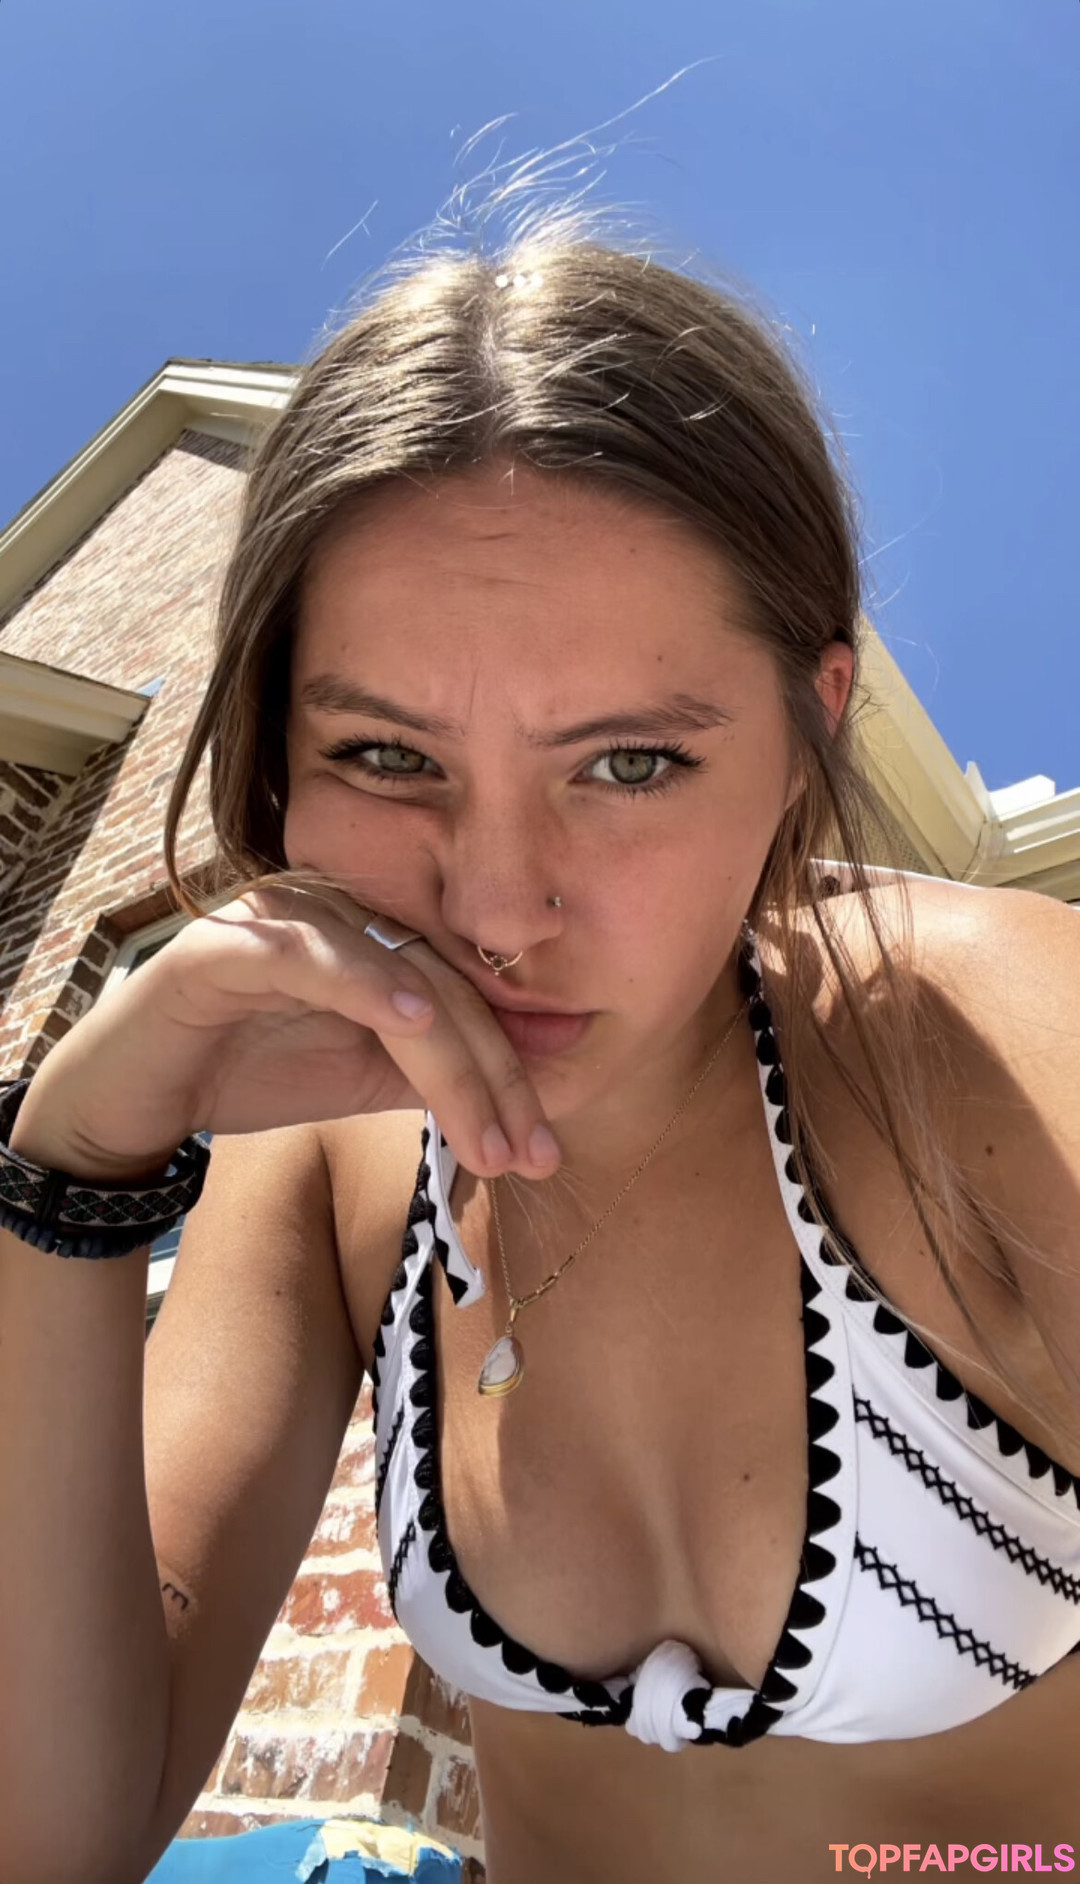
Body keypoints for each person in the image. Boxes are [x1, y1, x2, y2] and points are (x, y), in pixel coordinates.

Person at [2, 222, 1079, 1884]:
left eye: (630, 763)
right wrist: (72, 1175)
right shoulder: (334, 1160)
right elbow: (54, 1833)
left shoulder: (1001, 1052)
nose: (497, 907)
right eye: (385, 755)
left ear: (810, 730)